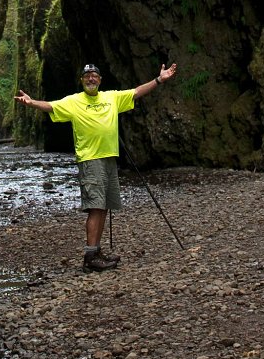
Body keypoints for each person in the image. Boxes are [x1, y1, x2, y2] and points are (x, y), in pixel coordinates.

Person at [15, 61, 178, 272]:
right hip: (90, 160)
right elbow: (51, 106)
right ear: (82, 81)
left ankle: (97, 251)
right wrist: (31, 102)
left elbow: (137, 92)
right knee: (95, 206)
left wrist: (159, 80)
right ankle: (90, 256)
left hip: (109, 159)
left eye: (94, 76)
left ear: (100, 80)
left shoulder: (112, 97)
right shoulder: (74, 101)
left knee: (104, 205)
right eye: (87, 76)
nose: (91, 79)